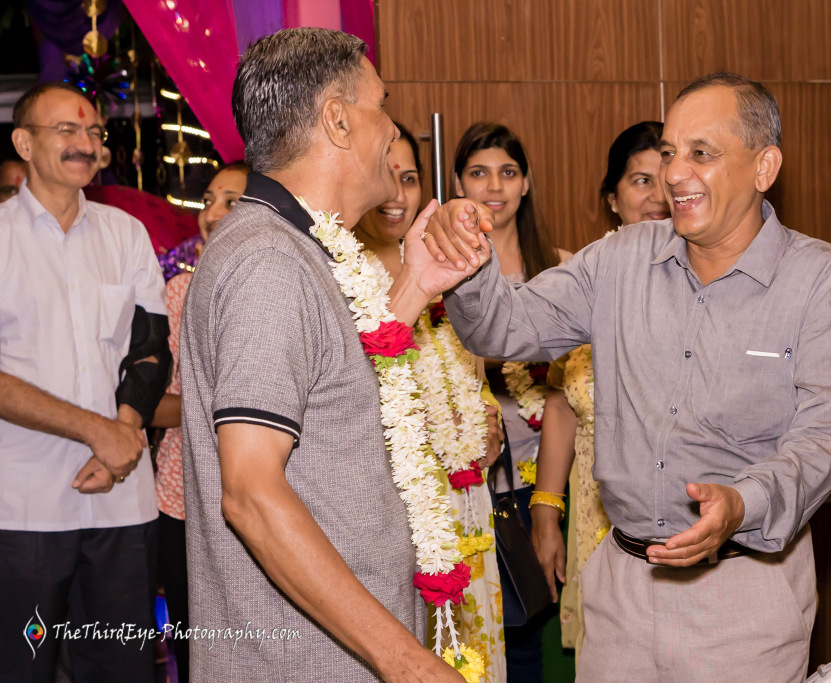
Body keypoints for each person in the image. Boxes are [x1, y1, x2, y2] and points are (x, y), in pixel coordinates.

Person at [424, 72, 831, 682]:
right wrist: (467, 262)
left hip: (746, 596)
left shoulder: (821, 281)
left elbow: (826, 436)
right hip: (622, 595)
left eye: (701, 154)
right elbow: (503, 327)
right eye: (669, 153)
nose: (675, 173)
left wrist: (743, 503)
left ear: (764, 167)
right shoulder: (619, 258)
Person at [180, 27, 477, 682]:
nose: (393, 132)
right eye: (382, 106)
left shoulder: (303, 249)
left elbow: (329, 387)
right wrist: (406, 661)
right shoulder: (269, 262)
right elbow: (252, 492)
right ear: (339, 120)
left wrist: (413, 287)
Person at [0, 82, 170, 681]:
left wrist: (125, 433)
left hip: (122, 507)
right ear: (24, 142)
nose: (84, 143)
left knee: (122, 669)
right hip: (21, 511)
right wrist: (99, 430)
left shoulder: (125, 234)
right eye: (66, 131)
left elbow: (151, 347)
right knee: (20, 667)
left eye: (94, 132)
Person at [353, 122, 507, 680]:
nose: (397, 195)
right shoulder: (345, 278)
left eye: (410, 179)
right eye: (385, 177)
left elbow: (473, 372)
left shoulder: (444, 268)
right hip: (401, 505)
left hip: (467, 497)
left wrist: (490, 425)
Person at [531, 121, 668, 656]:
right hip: (594, 511)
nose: (657, 196)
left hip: (678, 513)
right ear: (612, 199)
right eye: (640, 181)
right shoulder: (586, 280)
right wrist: (546, 511)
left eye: (666, 178)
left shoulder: (706, 274)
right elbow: (564, 404)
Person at [451, 121, 570, 681]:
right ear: (458, 185)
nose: (494, 186)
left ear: (526, 184)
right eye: (479, 173)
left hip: (550, 487)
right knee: (485, 644)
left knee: (548, 641)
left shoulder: (563, 273)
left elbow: (571, 392)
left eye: (507, 171)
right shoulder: (440, 280)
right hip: (473, 492)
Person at [150, 162, 249, 682]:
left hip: (265, 501)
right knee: (197, 652)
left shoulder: (280, 284)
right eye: (209, 200)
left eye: (231, 201)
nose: (212, 213)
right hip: (185, 501)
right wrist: (229, 411)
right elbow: (151, 405)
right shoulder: (180, 293)